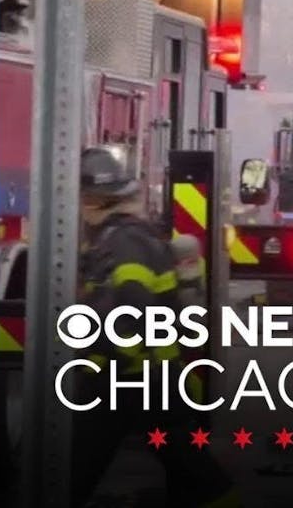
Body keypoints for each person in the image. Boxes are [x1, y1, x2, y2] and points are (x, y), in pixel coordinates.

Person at [72, 146, 240, 507]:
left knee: (72, 467)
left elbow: (131, 311)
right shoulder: (125, 236)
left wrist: (100, 367)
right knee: (192, 470)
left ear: (91, 200)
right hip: (150, 381)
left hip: (130, 380)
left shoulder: (124, 242)